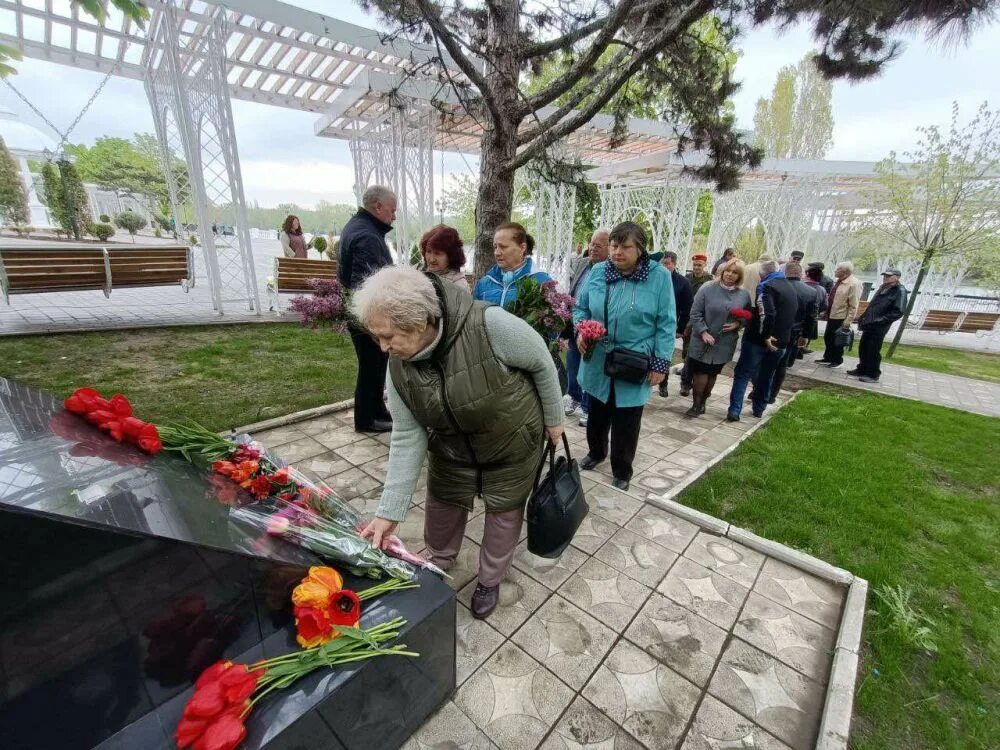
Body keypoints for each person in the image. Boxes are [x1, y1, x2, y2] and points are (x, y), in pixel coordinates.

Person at [354, 266, 564, 619]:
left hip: (510, 442)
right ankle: (438, 561)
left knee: (503, 514)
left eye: (388, 336)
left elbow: (542, 362)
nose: (382, 347)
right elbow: (407, 434)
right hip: (452, 449)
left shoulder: (490, 325)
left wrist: (554, 419)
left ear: (419, 321)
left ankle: (490, 579)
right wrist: (389, 511)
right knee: (442, 508)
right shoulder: (398, 365)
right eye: (377, 336)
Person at [573, 222, 676, 492]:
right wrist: (581, 331)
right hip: (597, 359)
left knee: (627, 420)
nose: (617, 252)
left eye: (625, 247)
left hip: (634, 360)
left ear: (640, 248)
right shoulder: (598, 271)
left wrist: (660, 363)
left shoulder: (659, 277)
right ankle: (596, 453)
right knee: (596, 413)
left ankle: (622, 468)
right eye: (614, 246)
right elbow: (581, 308)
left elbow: (666, 323)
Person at [339, 185, 398, 433]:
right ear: (378, 207)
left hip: (360, 313)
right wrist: (377, 323)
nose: (394, 216)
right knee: (370, 366)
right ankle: (366, 419)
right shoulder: (367, 236)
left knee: (376, 364)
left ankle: (377, 411)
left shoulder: (360, 228)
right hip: (368, 316)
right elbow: (367, 285)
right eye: (392, 210)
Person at [727, 258, 798, 421]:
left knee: (743, 373)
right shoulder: (790, 287)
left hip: (760, 341)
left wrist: (766, 335)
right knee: (767, 375)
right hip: (782, 341)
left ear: (761, 274)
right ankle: (759, 408)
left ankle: (735, 410)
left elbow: (767, 313)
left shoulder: (766, 286)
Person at [685, 260, 751, 417]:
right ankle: (696, 404)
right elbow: (695, 313)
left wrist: (737, 324)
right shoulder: (707, 288)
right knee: (700, 372)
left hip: (724, 343)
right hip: (703, 340)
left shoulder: (743, 294)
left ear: (739, 276)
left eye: (735, 272)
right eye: (728, 270)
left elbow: (747, 315)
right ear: (722, 271)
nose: (730, 274)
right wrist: (703, 331)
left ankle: (703, 403)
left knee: (713, 374)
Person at [565, 229, 610, 426]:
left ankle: (587, 407)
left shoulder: (610, 271)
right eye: (592, 244)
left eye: (599, 245)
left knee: (589, 368)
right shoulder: (583, 263)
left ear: (610, 248)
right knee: (572, 364)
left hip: (595, 332)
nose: (593, 248)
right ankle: (574, 397)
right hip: (576, 325)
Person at [766, 261, 819, 401]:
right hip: (794, 333)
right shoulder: (811, 292)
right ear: (800, 274)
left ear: (785, 272)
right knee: (782, 364)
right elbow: (812, 316)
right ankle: (772, 395)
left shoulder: (777, 287)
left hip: (775, 331)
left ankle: (760, 391)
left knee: (766, 362)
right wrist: (805, 335)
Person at [473, 222, 552, 310]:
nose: (497, 253)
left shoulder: (542, 281)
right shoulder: (484, 283)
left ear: (522, 248)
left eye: (503, 247)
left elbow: (551, 319)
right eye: (495, 247)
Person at [850, 269, 907, 383]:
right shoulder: (883, 288)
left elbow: (898, 311)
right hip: (870, 323)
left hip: (880, 325)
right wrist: (863, 317)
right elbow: (873, 306)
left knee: (873, 349)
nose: (885, 277)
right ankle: (862, 368)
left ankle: (873, 374)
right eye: (885, 275)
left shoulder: (900, 290)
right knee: (864, 346)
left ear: (897, 277)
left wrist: (881, 320)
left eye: (889, 276)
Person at [677, 253, 714, 396]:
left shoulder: (709, 281)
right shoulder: (687, 279)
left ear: (705, 265)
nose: (697, 267)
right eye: (695, 265)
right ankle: (686, 380)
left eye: (699, 265)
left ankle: (686, 383)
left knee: (694, 354)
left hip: (702, 322)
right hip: (687, 320)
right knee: (687, 352)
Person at [658, 251, 693, 398]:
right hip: (652, 323)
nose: (665, 267)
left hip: (669, 325)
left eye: (667, 264)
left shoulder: (682, 282)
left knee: (664, 354)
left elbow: (687, 307)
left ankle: (663, 383)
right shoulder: (655, 278)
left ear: (674, 264)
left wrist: (680, 328)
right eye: (662, 264)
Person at [817, 261, 863, 369]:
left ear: (844, 272)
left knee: (837, 340)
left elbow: (853, 305)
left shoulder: (854, 284)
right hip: (832, 314)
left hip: (841, 316)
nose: (835, 271)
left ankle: (837, 360)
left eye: (837, 269)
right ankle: (828, 357)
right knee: (828, 337)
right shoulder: (839, 281)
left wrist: (848, 321)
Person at [420, 225, 469, 292]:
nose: (431, 259)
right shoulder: (419, 274)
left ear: (451, 256)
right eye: (428, 251)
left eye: (437, 253)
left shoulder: (459, 286)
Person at [801, 265, 829, 355]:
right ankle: (801, 351)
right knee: (805, 335)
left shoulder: (801, 285)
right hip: (813, 316)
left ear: (807, 274)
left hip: (798, 316)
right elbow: (825, 305)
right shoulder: (822, 290)